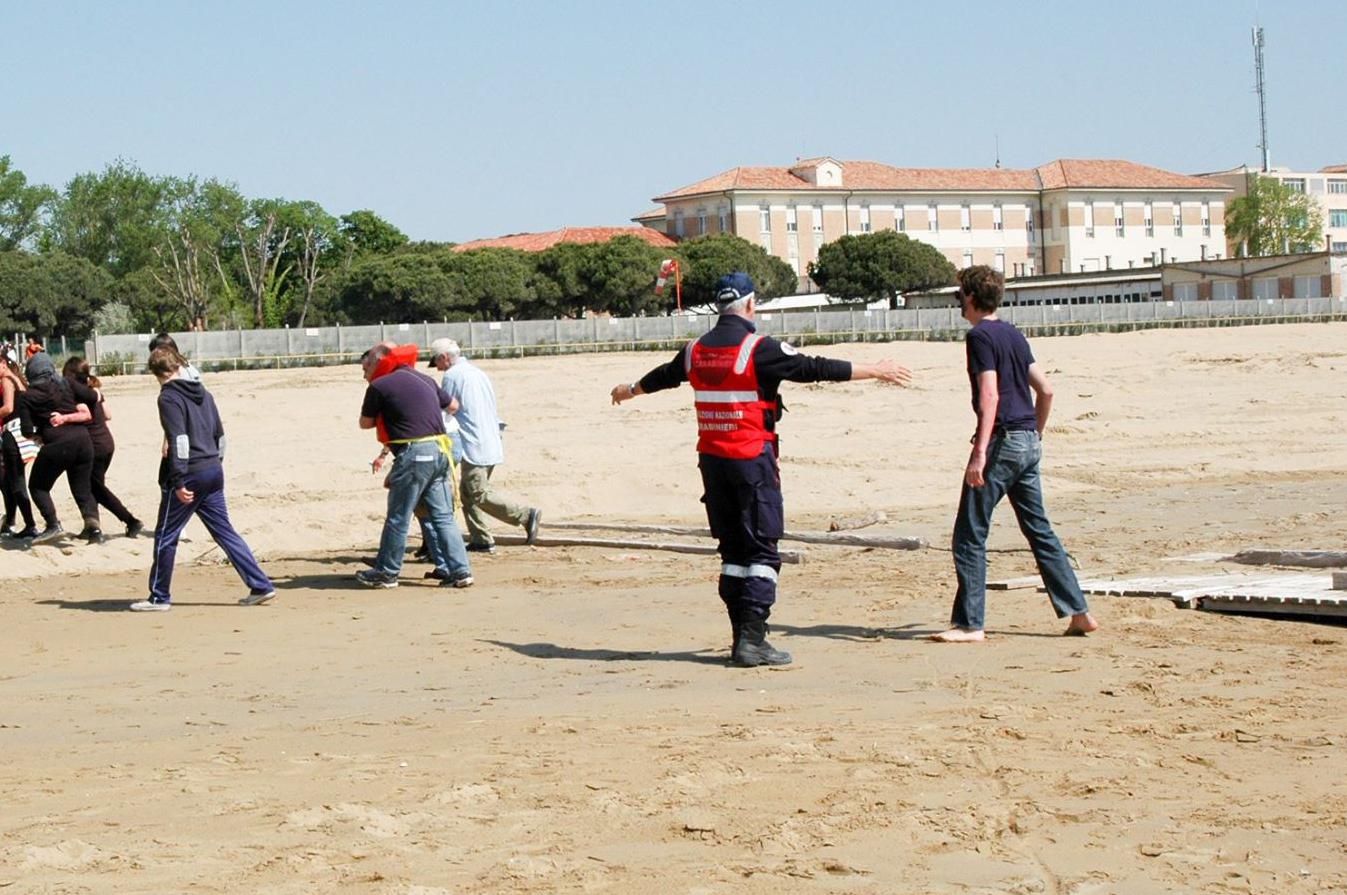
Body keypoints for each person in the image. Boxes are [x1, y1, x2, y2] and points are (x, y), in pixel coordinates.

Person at [611, 272, 911, 666]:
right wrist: (875, 369)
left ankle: (741, 637)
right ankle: (753, 639)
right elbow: (813, 367)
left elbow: (664, 377)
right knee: (762, 551)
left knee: (732, 551)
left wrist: (629, 390)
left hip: (713, 463)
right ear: (751, 305)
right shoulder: (757, 348)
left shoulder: (695, 349)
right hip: (752, 461)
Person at [929, 266, 1098, 643]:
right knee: (1040, 531)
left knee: (969, 533)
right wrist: (1034, 435)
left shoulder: (980, 337)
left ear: (970, 298)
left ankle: (970, 624)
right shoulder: (1013, 334)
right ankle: (1079, 613)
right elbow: (1047, 390)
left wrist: (979, 453)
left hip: (1003, 441)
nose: (959, 303)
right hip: (1026, 442)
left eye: (960, 296)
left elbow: (989, 397)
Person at [129, 344, 277, 611]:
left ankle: (159, 596)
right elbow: (221, 437)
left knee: (166, 535)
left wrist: (179, 480)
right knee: (225, 532)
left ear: (155, 372)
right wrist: (214, 465)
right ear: (177, 366)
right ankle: (261, 585)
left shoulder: (168, 398)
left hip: (192, 472)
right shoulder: (204, 393)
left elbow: (179, 440)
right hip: (212, 470)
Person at [354, 342, 473, 589]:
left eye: (366, 368)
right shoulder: (424, 379)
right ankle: (460, 571)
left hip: (414, 453)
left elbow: (365, 424)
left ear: (378, 362)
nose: (365, 375)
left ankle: (386, 572)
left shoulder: (379, 386)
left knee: (398, 516)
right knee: (443, 516)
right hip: (441, 450)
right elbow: (453, 406)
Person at [428, 338, 540, 553]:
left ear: (444, 357)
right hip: (489, 437)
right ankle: (481, 539)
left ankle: (525, 515)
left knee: (478, 491)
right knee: (468, 493)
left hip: (474, 441)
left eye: (437, 362)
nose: (438, 368)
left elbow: (449, 407)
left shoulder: (453, 375)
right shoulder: (477, 372)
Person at [18, 352, 101, 543]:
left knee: (38, 486)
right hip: (83, 440)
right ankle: (94, 529)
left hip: (56, 444)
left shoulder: (27, 396)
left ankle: (52, 523)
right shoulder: (66, 383)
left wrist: (39, 432)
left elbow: (26, 430)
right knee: (83, 487)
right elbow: (91, 396)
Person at [64, 356, 143, 536]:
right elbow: (107, 415)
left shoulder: (77, 394)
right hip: (106, 441)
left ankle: (130, 520)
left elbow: (87, 415)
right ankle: (92, 526)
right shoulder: (94, 389)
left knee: (95, 488)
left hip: (93, 445)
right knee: (94, 486)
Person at [0, 345, 38, 544]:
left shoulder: (7, 380)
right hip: (23, 435)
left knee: (15, 482)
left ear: (3, 363)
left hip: (12, 435)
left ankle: (30, 524)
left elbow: (8, 407)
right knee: (14, 481)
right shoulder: (18, 380)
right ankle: (18, 522)